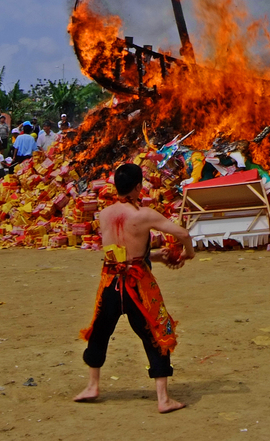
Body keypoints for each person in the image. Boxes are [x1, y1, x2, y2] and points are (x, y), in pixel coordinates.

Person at [75, 163, 193, 411]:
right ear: (139, 186)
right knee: (156, 332)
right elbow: (182, 234)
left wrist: (159, 256)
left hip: (110, 282)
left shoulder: (104, 214)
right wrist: (188, 253)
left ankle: (92, 385)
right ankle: (163, 398)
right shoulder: (144, 215)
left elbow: (123, 254)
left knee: (100, 331)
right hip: (137, 284)